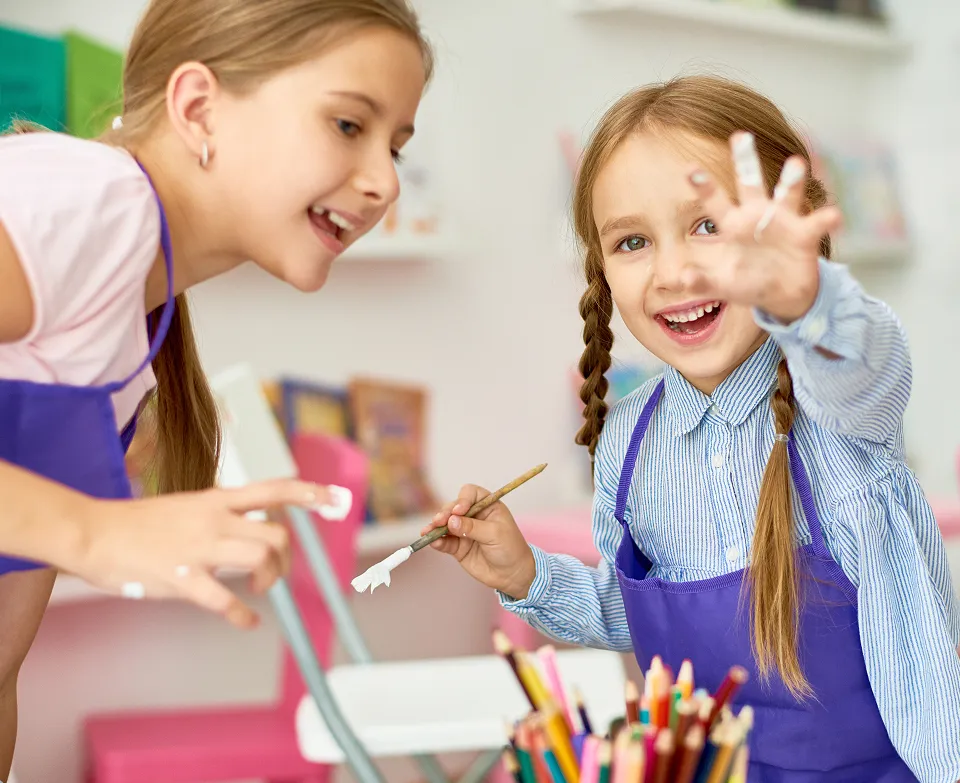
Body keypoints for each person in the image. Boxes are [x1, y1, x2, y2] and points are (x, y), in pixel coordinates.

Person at [426, 76, 960, 781]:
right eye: (633, 241)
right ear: (601, 269)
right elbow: (635, 613)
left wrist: (806, 300)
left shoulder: (840, 402)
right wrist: (526, 573)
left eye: (709, 226)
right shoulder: (629, 441)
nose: (674, 271)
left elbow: (866, 356)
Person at [0, 0, 431, 776]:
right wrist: (95, 531)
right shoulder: (86, 202)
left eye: (397, 145)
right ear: (199, 107)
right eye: (348, 125)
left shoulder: (134, 321)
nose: (384, 182)